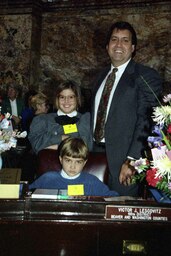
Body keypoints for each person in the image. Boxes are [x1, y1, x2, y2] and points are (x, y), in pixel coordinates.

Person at [91, 21, 162, 196]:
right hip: (94, 158)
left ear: (133, 47)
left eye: (125, 40)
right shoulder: (100, 76)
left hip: (123, 162)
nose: (118, 45)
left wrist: (132, 160)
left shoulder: (145, 76)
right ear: (107, 46)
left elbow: (147, 119)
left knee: (120, 215)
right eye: (114, 39)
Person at [29, 137, 119, 197]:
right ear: (61, 159)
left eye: (78, 162)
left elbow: (113, 198)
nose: (73, 166)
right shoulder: (47, 178)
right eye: (68, 160)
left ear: (84, 163)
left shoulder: (91, 181)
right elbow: (27, 193)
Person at [28, 81, 92, 154]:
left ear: (77, 99)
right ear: (57, 99)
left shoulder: (86, 119)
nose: (66, 101)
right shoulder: (41, 120)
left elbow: (86, 147)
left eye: (71, 97)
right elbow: (36, 145)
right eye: (62, 97)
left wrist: (53, 145)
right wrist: (62, 138)